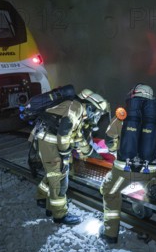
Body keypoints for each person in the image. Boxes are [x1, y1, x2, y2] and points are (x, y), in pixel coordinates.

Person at [99, 84, 156, 244]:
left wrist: (115, 148)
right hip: (148, 169)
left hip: (123, 170)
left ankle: (110, 234)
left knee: (109, 193)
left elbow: (109, 140)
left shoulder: (122, 115)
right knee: (154, 180)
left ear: (133, 95)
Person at [30, 88, 109, 225]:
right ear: (90, 107)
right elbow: (63, 136)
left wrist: (91, 152)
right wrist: (65, 155)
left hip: (46, 140)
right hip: (49, 143)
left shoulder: (77, 109)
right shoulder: (75, 109)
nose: (96, 117)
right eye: (97, 113)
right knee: (59, 179)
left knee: (53, 174)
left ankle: (45, 201)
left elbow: (77, 137)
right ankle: (59, 215)